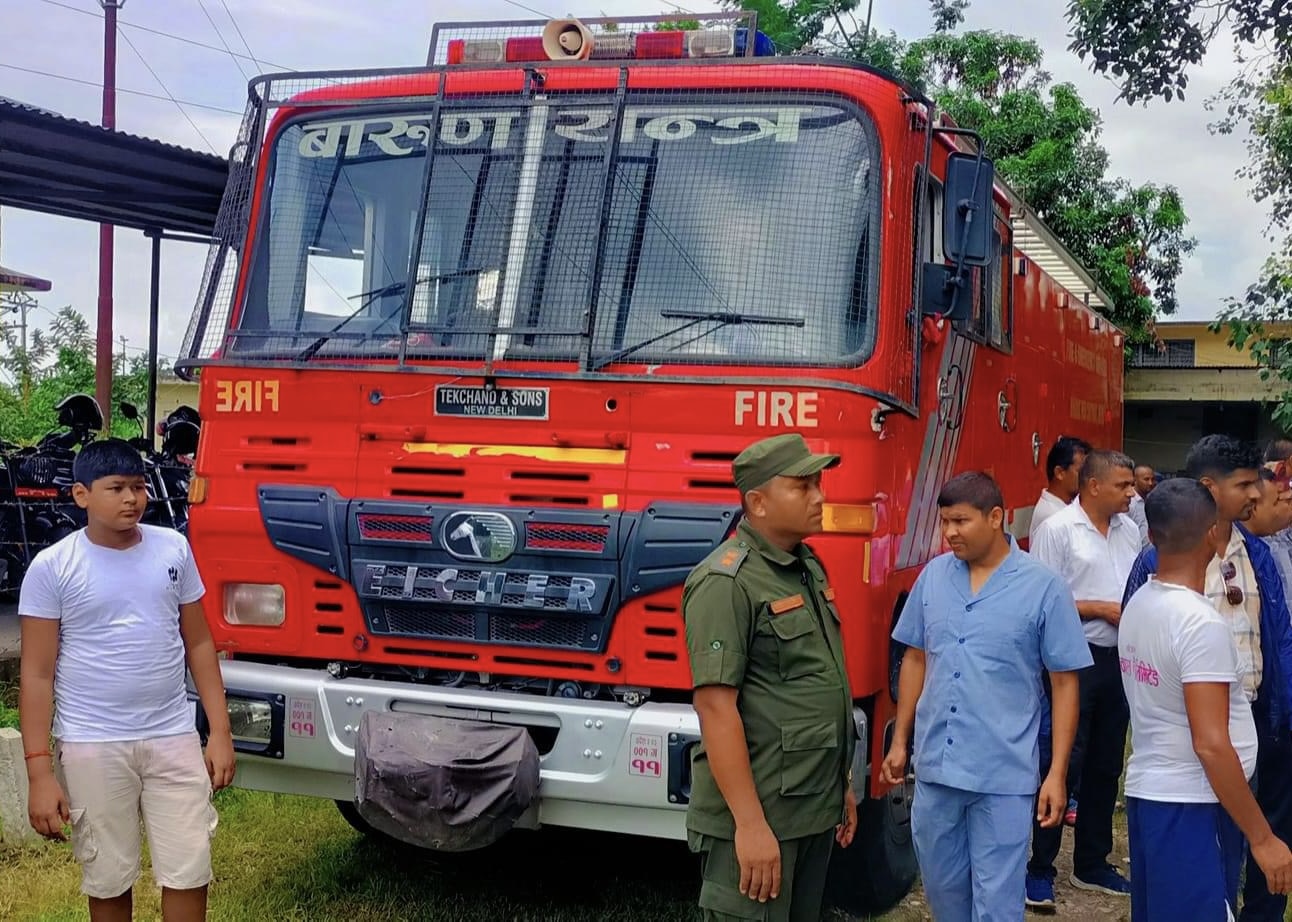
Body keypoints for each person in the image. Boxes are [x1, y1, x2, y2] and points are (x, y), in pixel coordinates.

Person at [19, 439, 236, 922]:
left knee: (189, 869)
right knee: (109, 876)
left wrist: (220, 732)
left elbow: (200, 643)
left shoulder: (173, 549)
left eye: (138, 487)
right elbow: (36, 674)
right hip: (92, 743)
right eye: (116, 488)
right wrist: (39, 773)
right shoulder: (53, 568)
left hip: (172, 735)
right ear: (81, 495)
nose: (131, 499)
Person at [882, 472, 1091, 922]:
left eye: (960, 521)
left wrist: (1056, 774)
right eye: (944, 522)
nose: (949, 532)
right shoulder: (934, 577)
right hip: (936, 769)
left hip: (1003, 777)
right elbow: (915, 657)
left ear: (995, 518)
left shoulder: (1044, 587)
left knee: (997, 904)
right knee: (944, 895)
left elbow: (1064, 683)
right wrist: (900, 741)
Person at [682, 433, 857, 921]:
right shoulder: (726, 582)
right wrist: (750, 825)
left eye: (818, 483)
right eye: (802, 486)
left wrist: (839, 787)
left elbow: (816, 684)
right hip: (763, 815)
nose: (819, 497)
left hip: (810, 807)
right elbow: (715, 707)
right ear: (757, 503)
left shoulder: (806, 567)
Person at [1123, 434, 1292, 922]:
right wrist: (1263, 838)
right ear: (1210, 535)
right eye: (1244, 485)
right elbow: (1211, 744)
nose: (1256, 494)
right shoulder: (1199, 622)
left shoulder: (1142, 604)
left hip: (1155, 789)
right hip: (1196, 797)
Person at [1027, 450, 1140, 904]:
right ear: (1094, 486)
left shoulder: (1129, 530)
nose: (1132, 493)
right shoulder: (1058, 530)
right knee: (1062, 763)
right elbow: (1037, 600)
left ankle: (1092, 863)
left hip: (1119, 660)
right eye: (1123, 485)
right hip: (1073, 662)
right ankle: (1039, 867)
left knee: (1106, 763)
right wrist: (1098, 609)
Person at [1028, 436, 1092, 546]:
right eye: (1081, 472)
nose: (1086, 478)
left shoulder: (1065, 506)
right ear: (1059, 473)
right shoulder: (1051, 516)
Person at [1126, 464, 1156, 548]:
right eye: (1146, 479)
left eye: (1153, 479)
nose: (1150, 483)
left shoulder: (1151, 500)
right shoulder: (1129, 502)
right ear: (1134, 480)